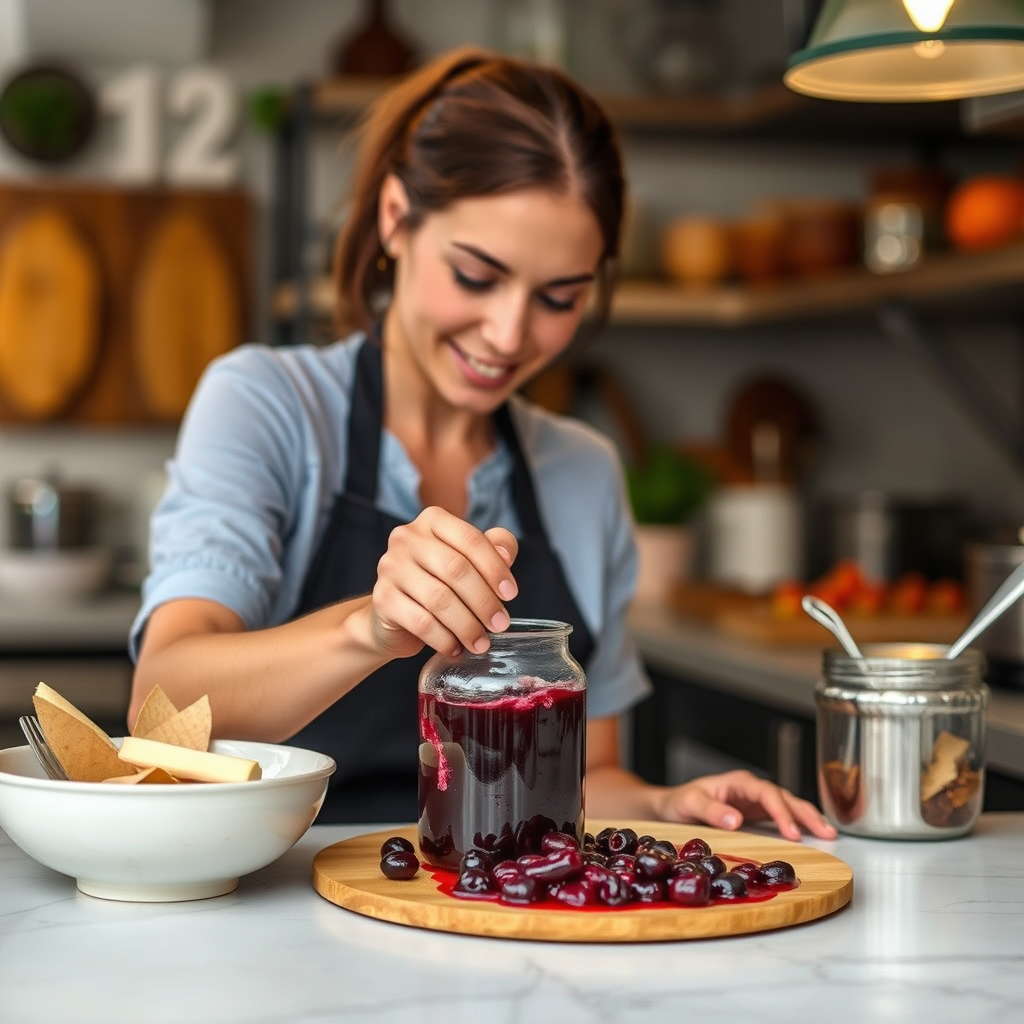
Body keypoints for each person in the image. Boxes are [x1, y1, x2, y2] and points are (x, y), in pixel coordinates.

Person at [128, 46, 835, 841]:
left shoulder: (582, 471)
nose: (509, 335)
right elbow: (162, 707)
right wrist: (370, 628)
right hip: (293, 911)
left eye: (559, 297)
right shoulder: (268, 405)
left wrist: (669, 806)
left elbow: (587, 776)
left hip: (502, 916)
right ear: (395, 219)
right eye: (475, 275)